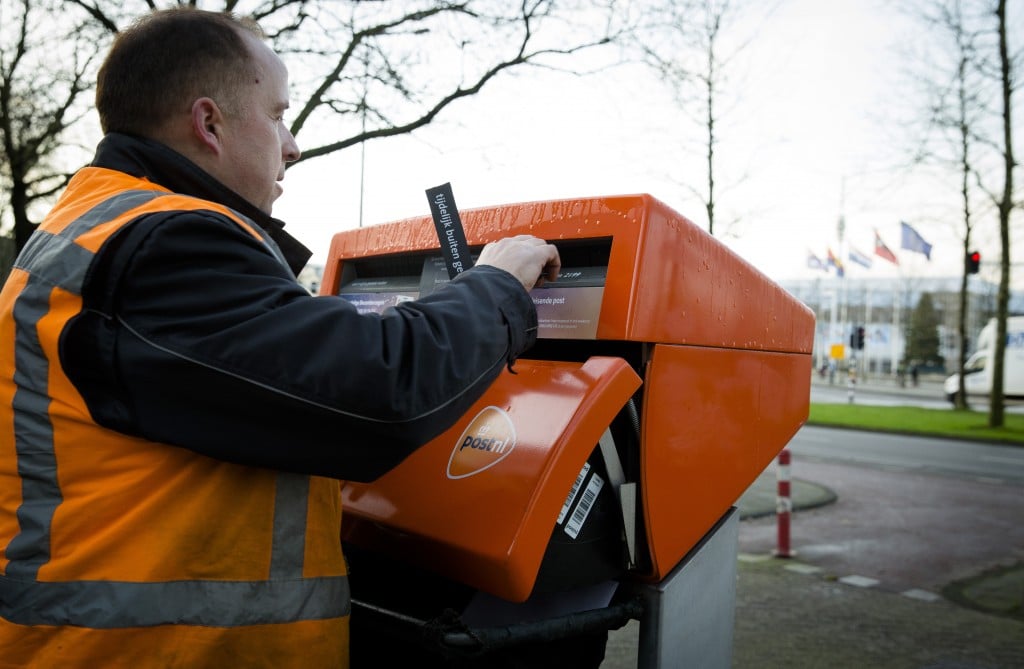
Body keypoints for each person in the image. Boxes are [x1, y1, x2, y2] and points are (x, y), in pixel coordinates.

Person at [0, 8, 559, 668]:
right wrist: (496, 283)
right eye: (277, 114)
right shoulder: (168, 243)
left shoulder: (92, 220)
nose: (291, 144)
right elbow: (382, 389)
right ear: (208, 123)